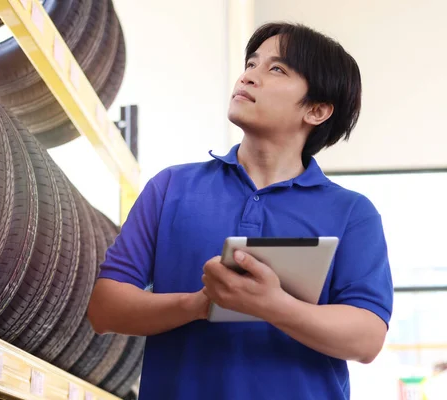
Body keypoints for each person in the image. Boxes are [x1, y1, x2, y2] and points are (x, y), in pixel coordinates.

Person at [87, 22, 394, 400]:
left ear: (316, 110)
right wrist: (200, 305)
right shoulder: (170, 188)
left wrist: (273, 305)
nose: (248, 76)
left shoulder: (353, 213)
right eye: (251, 63)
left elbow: (367, 338)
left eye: (276, 69)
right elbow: (105, 309)